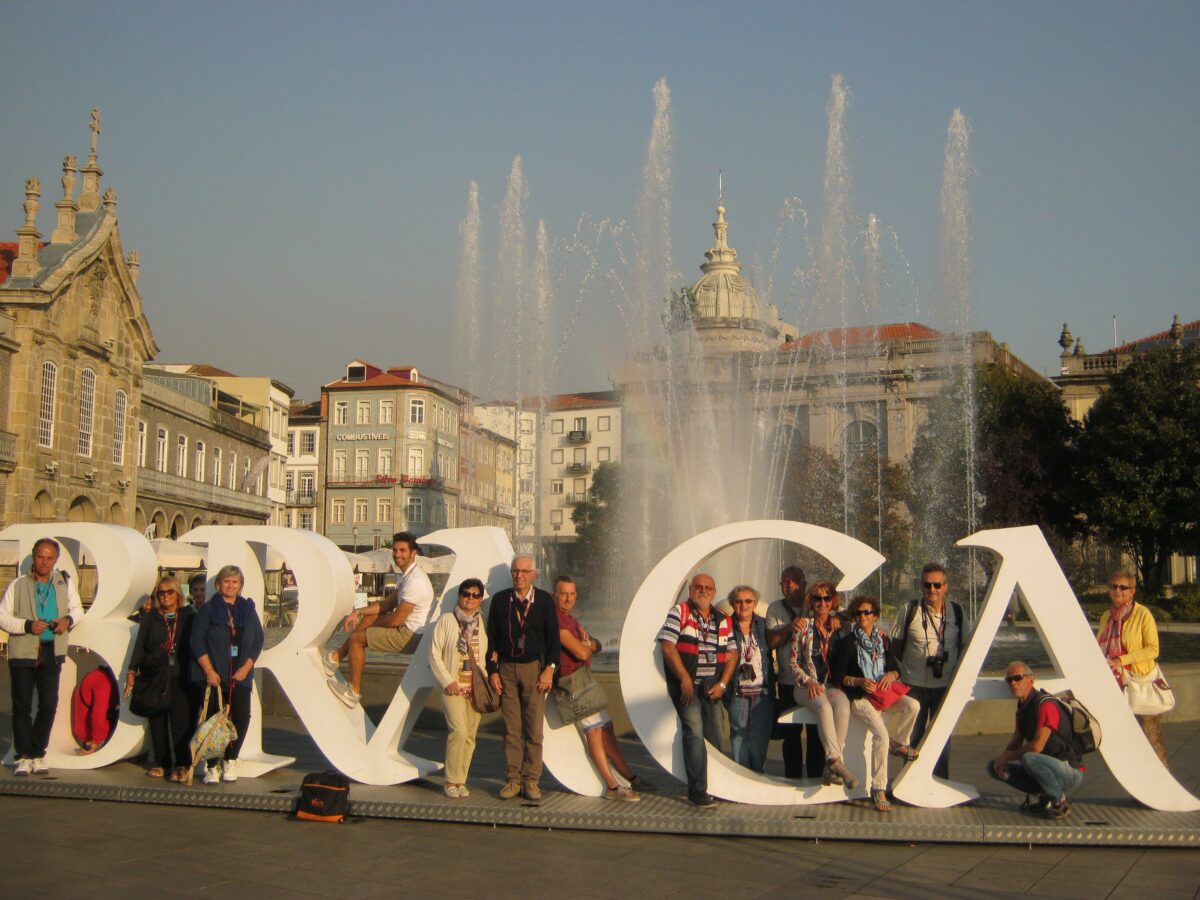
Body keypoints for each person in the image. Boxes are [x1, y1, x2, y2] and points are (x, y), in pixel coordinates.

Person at [554, 575, 655, 801]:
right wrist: (586, 645)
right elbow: (582, 652)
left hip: (584, 679)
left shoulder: (571, 620)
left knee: (606, 727)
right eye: (563, 594)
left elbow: (596, 645)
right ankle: (612, 786)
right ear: (555, 595)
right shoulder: (557, 620)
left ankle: (628, 775)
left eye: (572, 594)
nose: (568, 599)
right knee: (595, 730)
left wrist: (587, 644)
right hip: (571, 682)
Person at [0, 537, 83, 776]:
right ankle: (23, 755)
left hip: (51, 649)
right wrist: (27, 625)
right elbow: (2, 615)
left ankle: (38, 752)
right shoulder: (18, 584)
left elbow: (77, 609)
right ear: (34, 558)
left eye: (49, 557)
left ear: (55, 559)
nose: (44, 562)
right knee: (22, 704)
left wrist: (67, 620)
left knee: (48, 704)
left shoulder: (63, 583)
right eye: (40, 557)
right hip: (24, 649)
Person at [325, 531, 436, 707]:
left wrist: (369, 628)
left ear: (413, 553)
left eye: (402, 550)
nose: (397, 554)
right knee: (371, 616)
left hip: (412, 636)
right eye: (395, 550)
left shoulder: (416, 581)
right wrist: (359, 612)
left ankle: (353, 692)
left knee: (356, 640)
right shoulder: (407, 576)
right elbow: (385, 605)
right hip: (409, 630)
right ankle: (335, 658)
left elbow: (396, 620)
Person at [831, 595, 920, 812]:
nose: (863, 616)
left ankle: (898, 743)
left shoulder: (883, 641)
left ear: (875, 616)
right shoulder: (847, 643)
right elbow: (839, 675)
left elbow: (895, 667)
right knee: (880, 734)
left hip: (883, 694)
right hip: (860, 698)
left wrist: (891, 674)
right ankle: (879, 788)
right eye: (859, 613)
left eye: (867, 612)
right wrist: (859, 681)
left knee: (913, 706)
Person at [658, 573, 737, 808]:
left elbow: (732, 654)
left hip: (712, 683)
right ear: (690, 590)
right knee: (694, 732)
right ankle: (697, 790)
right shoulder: (679, 612)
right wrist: (683, 678)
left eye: (708, 588)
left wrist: (722, 684)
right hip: (688, 684)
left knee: (715, 735)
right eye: (698, 587)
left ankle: (720, 785)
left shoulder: (723, 618)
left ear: (714, 592)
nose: (703, 591)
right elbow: (667, 646)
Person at [486, 555, 560, 802]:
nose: (519, 576)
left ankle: (531, 780)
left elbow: (553, 640)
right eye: (515, 571)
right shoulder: (500, 600)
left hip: (533, 670)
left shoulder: (544, 601)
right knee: (511, 729)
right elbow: (492, 639)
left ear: (533, 574)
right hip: (506, 668)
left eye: (524, 571)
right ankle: (512, 780)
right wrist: (492, 670)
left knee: (533, 729)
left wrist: (549, 668)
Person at [892, 563, 968, 779]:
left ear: (945, 587)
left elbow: (963, 647)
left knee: (941, 737)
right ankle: (909, 781)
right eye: (927, 585)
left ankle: (940, 781)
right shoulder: (909, 610)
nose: (931, 590)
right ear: (921, 586)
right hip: (913, 684)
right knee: (913, 737)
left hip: (944, 686)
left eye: (937, 585)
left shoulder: (957, 612)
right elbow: (895, 647)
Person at [190, 564, 264, 784]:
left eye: (235, 582)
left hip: (240, 675)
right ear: (218, 584)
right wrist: (209, 670)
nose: (231, 585)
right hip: (215, 675)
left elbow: (258, 640)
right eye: (226, 581)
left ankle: (230, 759)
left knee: (241, 717)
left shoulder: (247, 609)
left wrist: (246, 667)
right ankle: (212, 765)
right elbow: (197, 640)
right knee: (214, 720)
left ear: (240, 585)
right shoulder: (208, 609)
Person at [986, 661, 1084, 819]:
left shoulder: (1045, 705)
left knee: (1030, 757)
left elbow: (1037, 746)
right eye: (1009, 680)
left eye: (1018, 678)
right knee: (993, 767)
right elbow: (1016, 740)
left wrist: (1008, 757)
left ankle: (1060, 800)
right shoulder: (1022, 708)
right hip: (1046, 768)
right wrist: (1002, 760)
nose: (1013, 683)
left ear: (1031, 680)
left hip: (1069, 770)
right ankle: (1045, 794)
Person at [124, 575, 197, 781]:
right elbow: (139, 646)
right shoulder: (151, 617)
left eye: (170, 592)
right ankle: (162, 761)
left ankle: (182, 762)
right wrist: (131, 671)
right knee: (157, 720)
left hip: (180, 676)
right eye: (161, 593)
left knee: (180, 722)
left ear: (178, 595)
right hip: (155, 674)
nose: (165, 596)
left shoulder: (188, 615)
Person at [1097, 570, 1169, 767]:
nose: (1117, 590)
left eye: (1123, 587)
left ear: (1132, 591)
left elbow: (1153, 649)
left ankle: (1161, 783)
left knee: (1151, 738)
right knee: (1128, 739)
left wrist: (1123, 659)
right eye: (1113, 586)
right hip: (1117, 685)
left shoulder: (1142, 614)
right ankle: (1140, 786)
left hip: (1139, 682)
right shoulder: (1107, 617)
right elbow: (1099, 647)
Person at [788, 582, 857, 788]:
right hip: (805, 686)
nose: (822, 603)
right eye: (817, 599)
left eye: (827, 599)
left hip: (831, 686)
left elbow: (861, 614)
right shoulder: (803, 626)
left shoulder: (841, 627)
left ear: (833, 601)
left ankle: (830, 766)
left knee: (843, 708)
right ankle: (836, 762)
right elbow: (792, 662)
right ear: (811, 601)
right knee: (825, 707)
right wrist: (809, 681)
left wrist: (880, 634)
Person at [428, 578, 489, 798]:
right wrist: (448, 681)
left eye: (475, 595)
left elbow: (482, 656)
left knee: (470, 736)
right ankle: (450, 781)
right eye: (466, 594)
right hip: (452, 687)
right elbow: (434, 653)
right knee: (459, 731)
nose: (470, 598)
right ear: (459, 595)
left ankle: (461, 780)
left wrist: (483, 682)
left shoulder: (481, 623)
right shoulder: (447, 620)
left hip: (474, 688)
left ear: (480, 599)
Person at [766, 565, 810, 778]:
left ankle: (815, 775)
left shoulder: (815, 604)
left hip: (813, 683)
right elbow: (771, 642)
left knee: (816, 733)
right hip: (787, 681)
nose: (789, 585)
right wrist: (788, 628)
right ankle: (792, 776)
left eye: (794, 580)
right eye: (784, 581)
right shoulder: (775, 608)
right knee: (790, 733)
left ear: (804, 584)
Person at [726, 585, 774, 773]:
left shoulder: (763, 625)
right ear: (732, 604)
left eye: (748, 601)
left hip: (762, 688)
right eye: (738, 601)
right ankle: (741, 773)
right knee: (738, 732)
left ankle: (757, 772)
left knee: (760, 734)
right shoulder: (726, 626)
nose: (743, 605)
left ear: (754, 604)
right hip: (737, 689)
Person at [71, 665, 118, 754]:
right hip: (93, 738)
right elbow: (99, 713)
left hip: (88, 734)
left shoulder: (98, 674)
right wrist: (96, 741)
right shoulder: (103, 680)